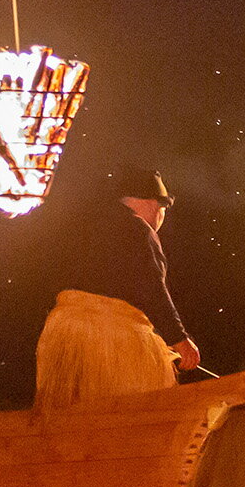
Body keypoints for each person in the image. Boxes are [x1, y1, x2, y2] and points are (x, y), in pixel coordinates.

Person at [35, 167, 200, 406]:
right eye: (163, 209)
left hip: (61, 338)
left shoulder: (78, 230)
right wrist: (180, 340)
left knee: (67, 416)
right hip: (109, 340)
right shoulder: (138, 229)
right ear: (154, 205)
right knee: (136, 414)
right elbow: (152, 288)